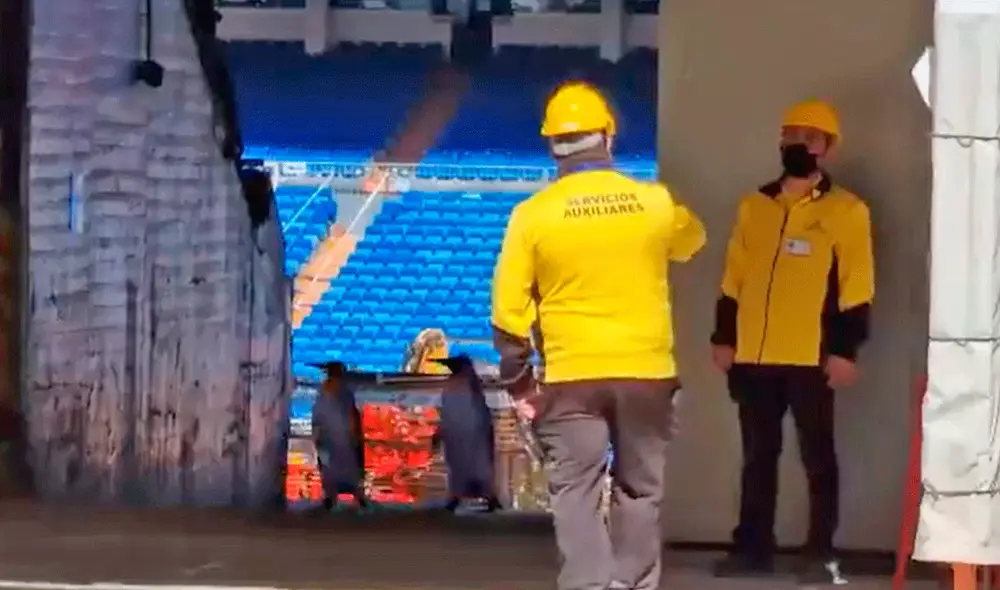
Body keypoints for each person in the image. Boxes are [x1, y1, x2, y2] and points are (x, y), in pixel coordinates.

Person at [491, 81, 707, 590]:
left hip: (572, 377)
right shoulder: (652, 202)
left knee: (576, 491)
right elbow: (692, 239)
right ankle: (633, 585)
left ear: (552, 146)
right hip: (647, 373)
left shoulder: (533, 216)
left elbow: (507, 312)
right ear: (608, 137)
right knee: (640, 490)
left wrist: (520, 385)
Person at [709, 100, 874, 583]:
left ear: (827, 147)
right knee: (758, 456)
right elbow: (733, 279)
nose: (798, 143)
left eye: (810, 136)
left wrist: (846, 350)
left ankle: (821, 551)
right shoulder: (754, 205)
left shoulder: (847, 211)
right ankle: (752, 548)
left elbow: (857, 287)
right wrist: (724, 338)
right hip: (754, 357)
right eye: (791, 134)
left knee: (818, 458)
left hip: (811, 357)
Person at [310, 361, 370, 511]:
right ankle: (346, 497)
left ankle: (340, 497)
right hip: (337, 437)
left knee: (336, 467)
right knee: (341, 467)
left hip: (337, 437)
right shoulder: (338, 391)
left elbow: (319, 415)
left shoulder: (331, 391)